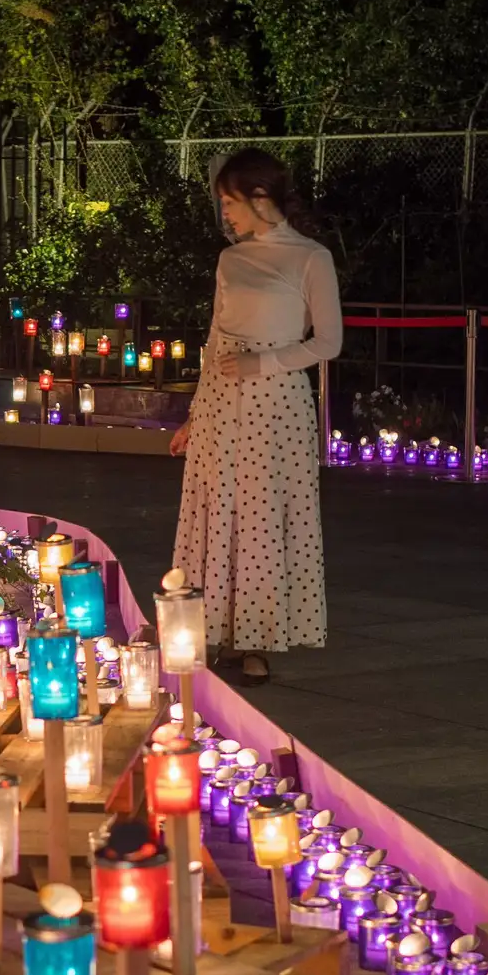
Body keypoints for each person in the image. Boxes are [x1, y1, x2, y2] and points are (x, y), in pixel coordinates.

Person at [169, 147, 342, 685]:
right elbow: (216, 336)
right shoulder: (231, 259)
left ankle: (258, 640)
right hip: (223, 399)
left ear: (260, 197)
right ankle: (212, 628)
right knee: (216, 512)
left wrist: (262, 362)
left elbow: (329, 342)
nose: (226, 213)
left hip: (276, 403)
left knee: (263, 518)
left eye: (230, 201)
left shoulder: (311, 257)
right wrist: (196, 414)